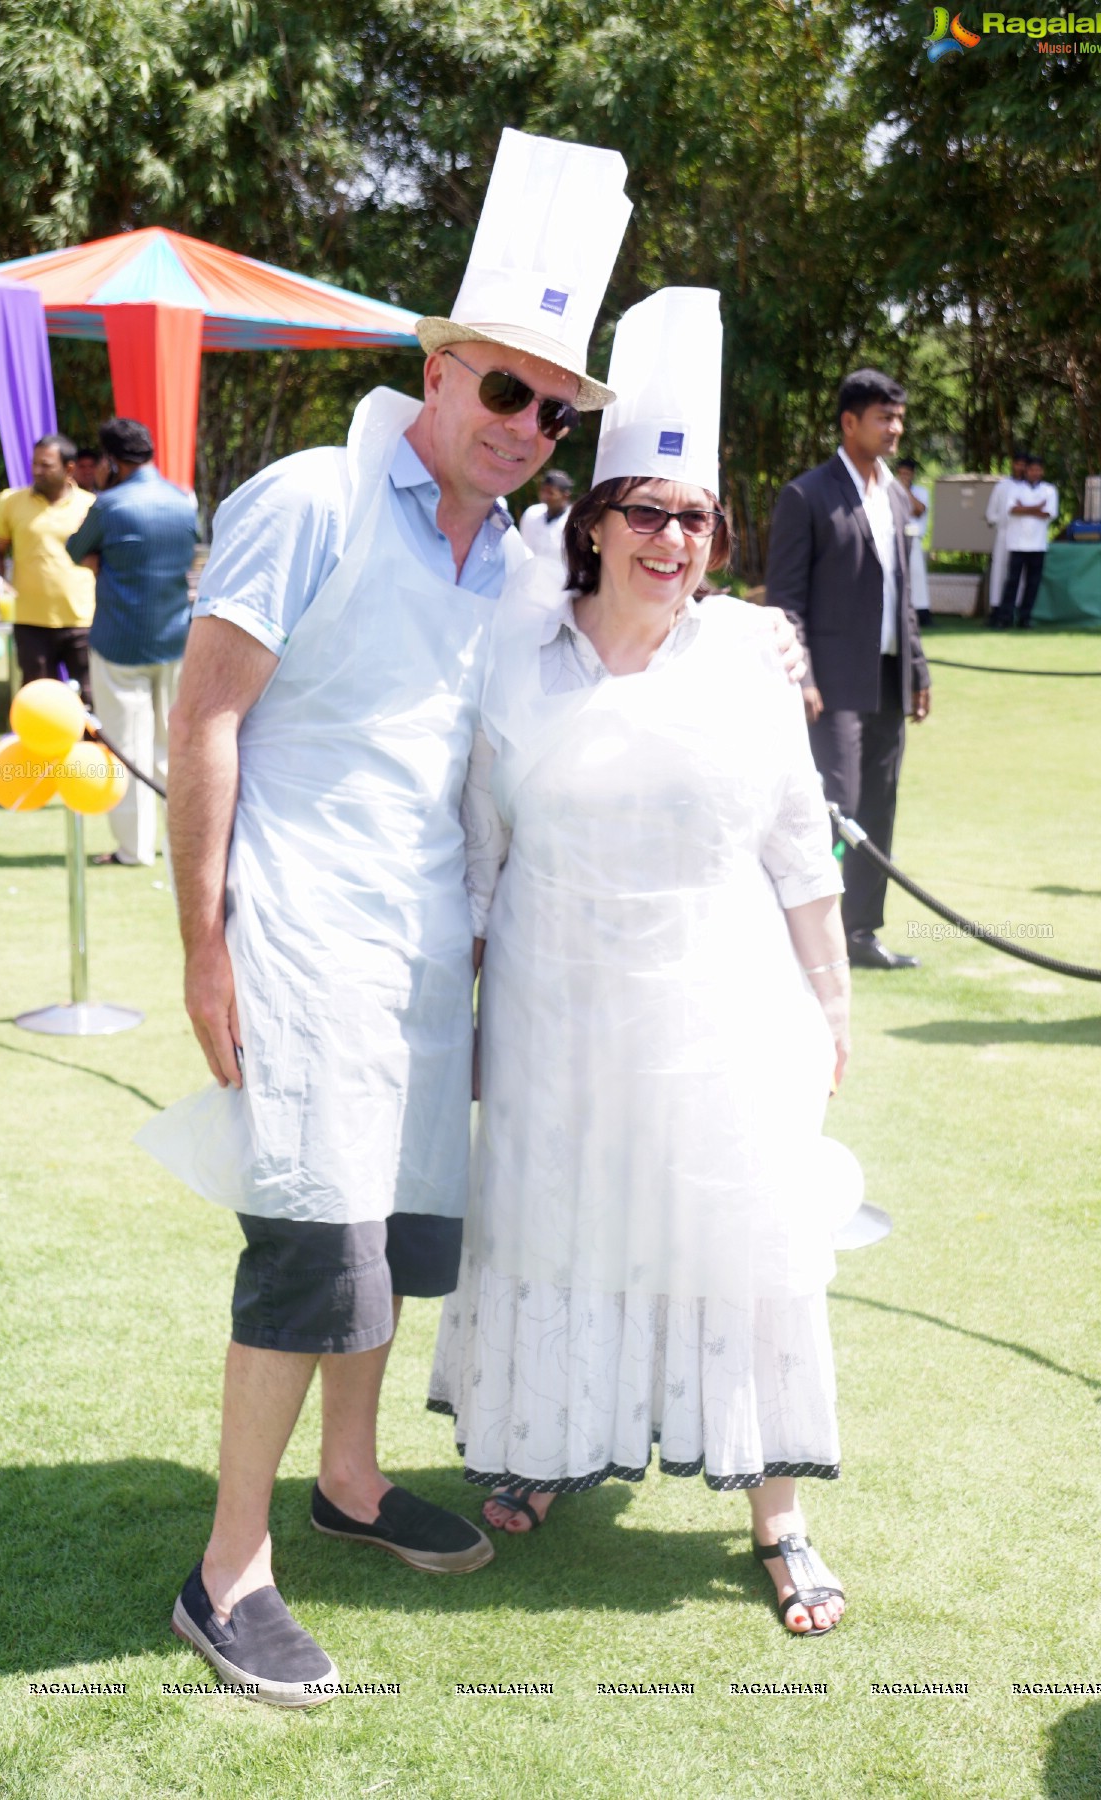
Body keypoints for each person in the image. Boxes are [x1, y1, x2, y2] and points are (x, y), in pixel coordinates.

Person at [134, 129, 638, 1709]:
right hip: (298, 932)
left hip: (431, 951)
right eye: (508, 391)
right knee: (312, 1251)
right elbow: (208, 724)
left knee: (394, 1250)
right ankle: (229, 1572)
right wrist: (204, 947)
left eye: (557, 412)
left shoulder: (517, 552)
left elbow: (624, 629)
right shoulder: (311, 495)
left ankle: (349, 1487)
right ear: (444, 368)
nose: (529, 430)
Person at [431, 288, 855, 1641]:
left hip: (718, 1006)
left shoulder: (744, 659)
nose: (674, 541)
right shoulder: (521, 661)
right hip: (557, 1009)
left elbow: (801, 851)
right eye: (648, 513)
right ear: (594, 523)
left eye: (696, 520)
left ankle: (778, 1521)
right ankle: (548, 1450)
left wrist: (831, 1006)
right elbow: (480, 860)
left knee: (739, 1236)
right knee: (558, 1227)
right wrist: (466, 1016)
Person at [765, 368, 931, 972]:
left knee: (880, 807)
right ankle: (801, 936)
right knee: (836, 805)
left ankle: (860, 933)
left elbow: (903, 592)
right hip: (830, 682)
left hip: (888, 677)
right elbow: (785, 598)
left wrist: (917, 669)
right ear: (849, 422)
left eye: (899, 417)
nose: (895, 429)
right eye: (884, 417)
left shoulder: (894, 494)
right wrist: (801, 675)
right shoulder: (806, 495)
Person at [66, 418, 198, 868]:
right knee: (173, 746)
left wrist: (103, 558)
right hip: (175, 639)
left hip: (119, 642)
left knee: (127, 747)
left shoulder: (111, 506)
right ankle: (179, 841)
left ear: (109, 461)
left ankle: (133, 849)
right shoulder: (181, 501)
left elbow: (73, 549)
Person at [0, 434, 95, 705]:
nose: (37, 471)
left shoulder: (91, 506)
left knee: (90, 701)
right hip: (30, 622)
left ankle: (89, 750)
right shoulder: (10, 501)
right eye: (35, 464)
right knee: (38, 703)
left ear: (68, 469)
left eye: (46, 465)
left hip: (82, 620)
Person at [991, 453, 1058, 630]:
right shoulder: (1014, 488)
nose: (1035, 472)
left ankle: (1025, 617)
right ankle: (1005, 617)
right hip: (1017, 543)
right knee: (1012, 582)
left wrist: (1025, 508)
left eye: (1038, 469)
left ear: (1042, 471)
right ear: (1026, 470)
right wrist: (1036, 508)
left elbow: (1048, 513)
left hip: (1038, 544)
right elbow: (1012, 510)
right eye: (1032, 469)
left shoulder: (1049, 490)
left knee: (1032, 583)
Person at [985, 451, 1027, 615]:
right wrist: (1002, 522)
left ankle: (1015, 608)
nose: (1021, 468)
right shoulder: (1002, 486)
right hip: (1004, 534)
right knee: (999, 570)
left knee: (1021, 574)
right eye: (1018, 464)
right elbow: (991, 514)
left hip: (1024, 537)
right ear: (1013, 465)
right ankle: (996, 608)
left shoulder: (1031, 487)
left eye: (1024, 465)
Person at [895, 457, 931, 629]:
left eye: (907, 474)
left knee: (917, 576)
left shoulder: (921, 491)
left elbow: (919, 511)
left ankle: (922, 613)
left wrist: (905, 491)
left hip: (914, 537)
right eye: (901, 473)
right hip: (895, 537)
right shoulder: (889, 490)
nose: (904, 476)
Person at [518, 468, 572, 566]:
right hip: (532, 574)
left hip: (561, 577)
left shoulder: (574, 521)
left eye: (551, 493)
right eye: (543, 491)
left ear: (565, 496)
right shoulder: (532, 514)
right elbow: (523, 548)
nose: (545, 496)